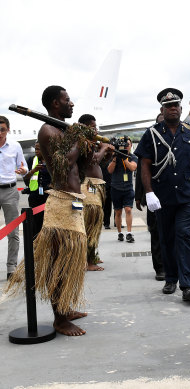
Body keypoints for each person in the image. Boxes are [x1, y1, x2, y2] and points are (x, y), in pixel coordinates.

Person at [7, 85, 95, 336]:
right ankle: (59, 318)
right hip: (61, 203)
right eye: (67, 100)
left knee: (73, 261)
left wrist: (87, 144)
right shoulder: (47, 130)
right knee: (60, 261)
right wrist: (77, 138)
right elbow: (61, 164)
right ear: (55, 103)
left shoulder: (64, 130)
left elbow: (82, 165)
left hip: (75, 199)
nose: (72, 104)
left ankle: (65, 308)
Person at [135, 88, 190, 301]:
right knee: (167, 238)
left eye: (176, 105)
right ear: (162, 109)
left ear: (181, 108)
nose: (172, 109)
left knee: (184, 235)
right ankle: (171, 278)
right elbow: (144, 165)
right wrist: (149, 193)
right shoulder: (151, 134)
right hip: (161, 196)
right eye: (168, 106)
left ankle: (187, 285)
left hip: (186, 195)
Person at [79, 114, 112, 270]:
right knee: (90, 222)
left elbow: (99, 164)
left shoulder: (91, 143)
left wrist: (108, 154)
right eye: (93, 127)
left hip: (96, 186)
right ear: (85, 127)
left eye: (96, 126)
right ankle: (87, 261)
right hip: (88, 186)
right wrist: (104, 148)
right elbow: (93, 161)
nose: (96, 130)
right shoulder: (83, 143)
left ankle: (92, 255)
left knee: (96, 224)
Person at [135, 112, 165, 281]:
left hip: (174, 195)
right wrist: (139, 196)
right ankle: (160, 268)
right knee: (156, 232)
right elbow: (141, 170)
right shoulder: (150, 139)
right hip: (154, 194)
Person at [0, 115, 27, 280]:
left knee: (13, 231)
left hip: (10, 190)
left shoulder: (15, 146)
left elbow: (23, 166)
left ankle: (11, 268)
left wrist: (23, 171)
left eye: (2, 129)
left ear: (8, 130)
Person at [107, 138, 137, 243]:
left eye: (128, 144)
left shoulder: (132, 157)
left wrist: (124, 158)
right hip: (115, 188)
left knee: (128, 209)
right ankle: (119, 233)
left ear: (131, 145)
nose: (126, 146)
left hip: (128, 188)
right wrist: (115, 158)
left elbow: (133, 167)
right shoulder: (114, 156)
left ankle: (129, 233)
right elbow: (110, 170)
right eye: (125, 145)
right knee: (118, 212)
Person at [23, 141, 50, 240]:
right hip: (35, 197)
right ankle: (35, 243)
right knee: (35, 223)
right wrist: (34, 170)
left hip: (48, 197)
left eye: (39, 149)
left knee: (47, 222)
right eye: (35, 149)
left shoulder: (51, 161)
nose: (36, 151)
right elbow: (25, 178)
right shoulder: (31, 160)